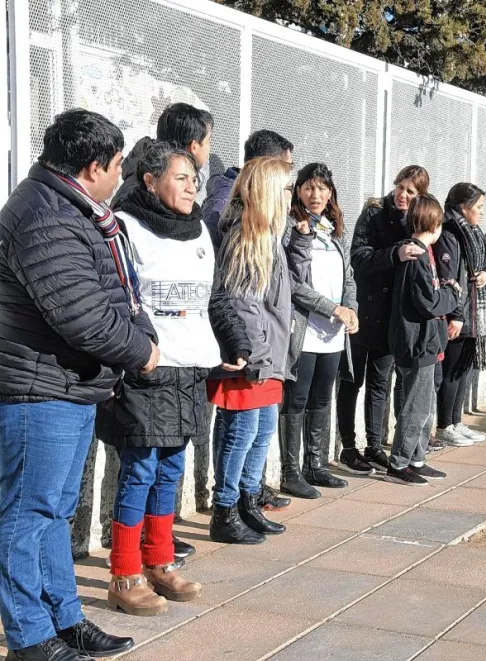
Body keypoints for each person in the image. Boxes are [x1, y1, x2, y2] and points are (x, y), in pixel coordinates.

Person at [0, 109, 150, 660]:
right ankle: (30, 637)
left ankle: (64, 619)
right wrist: (143, 351)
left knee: (52, 512)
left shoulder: (72, 208)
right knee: (26, 515)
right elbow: (82, 315)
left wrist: (141, 333)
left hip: (67, 384)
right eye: (116, 167)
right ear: (92, 167)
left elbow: (116, 295)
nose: (120, 178)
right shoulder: (44, 215)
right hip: (39, 391)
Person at [97, 142, 243, 616]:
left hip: (191, 367)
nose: (191, 185)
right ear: (149, 180)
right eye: (180, 177)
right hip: (147, 367)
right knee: (139, 470)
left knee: (171, 470)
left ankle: (159, 561)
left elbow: (214, 297)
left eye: (193, 178)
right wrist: (139, 350)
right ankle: (124, 573)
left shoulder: (200, 228)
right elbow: (116, 298)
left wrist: (234, 339)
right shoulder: (126, 228)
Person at [207, 156, 300, 545]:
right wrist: (260, 353)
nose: (290, 195)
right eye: (285, 187)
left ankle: (248, 500)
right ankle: (225, 509)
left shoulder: (270, 234)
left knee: (261, 432)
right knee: (241, 432)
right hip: (252, 359)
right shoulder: (246, 235)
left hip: (269, 356)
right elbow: (242, 303)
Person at [338, 165, 430, 473]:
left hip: (392, 319)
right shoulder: (373, 212)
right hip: (364, 312)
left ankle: (374, 446)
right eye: (400, 187)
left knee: (381, 383)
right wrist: (395, 253)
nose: (403, 195)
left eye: (411, 191)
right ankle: (348, 448)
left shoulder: (416, 222)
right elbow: (359, 258)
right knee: (352, 381)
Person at [280, 164, 358, 495]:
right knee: (296, 400)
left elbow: (348, 276)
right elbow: (293, 284)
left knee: (322, 400)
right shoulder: (291, 228)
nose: (316, 195)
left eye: (323, 188)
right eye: (309, 188)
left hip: (333, 334)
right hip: (305, 330)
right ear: (299, 191)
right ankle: (290, 471)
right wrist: (332, 308)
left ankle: (317, 465)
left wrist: (351, 308)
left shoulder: (333, 229)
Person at [386, 195, 461, 485]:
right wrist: (452, 293)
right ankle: (400, 461)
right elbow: (427, 302)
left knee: (426, 403)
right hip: (416, 342)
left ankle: (416, 458)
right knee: (416, 406)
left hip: (425, 341)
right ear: (434, 223)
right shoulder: (416, 255)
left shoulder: (421, 252)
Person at [434, 183, 486, 446]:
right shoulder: (451, 232)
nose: (482, 212)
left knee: (465, 371)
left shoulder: (474, 232)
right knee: (452, 371)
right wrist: (457, 315)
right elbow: (450, 279)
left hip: (476, 312)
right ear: (464, 207)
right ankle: (444, 425)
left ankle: (456, 420)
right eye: (479, 207)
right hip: (460, 313)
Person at [203, 129, 294, 250]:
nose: (288, 175)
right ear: (265, 168)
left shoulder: (256, 199)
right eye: (286, 167)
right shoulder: (224, 204)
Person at [113, 103, 213, 208]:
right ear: (194, 146)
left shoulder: (143, 175)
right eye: (208, 141)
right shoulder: (140, 201)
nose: (190, 189)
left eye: (191, 180)